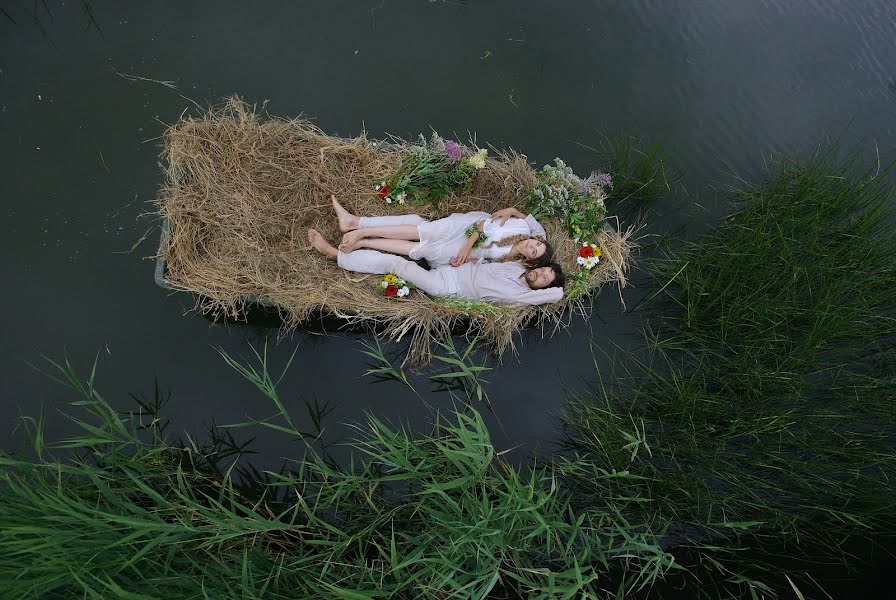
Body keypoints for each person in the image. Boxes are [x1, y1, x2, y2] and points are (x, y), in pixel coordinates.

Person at [308, 229, 565, 306]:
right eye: (543, 269)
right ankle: (363, 231)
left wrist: (555, 283)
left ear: (542, 289)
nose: (540, 274)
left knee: (397, 264)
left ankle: (335, 255)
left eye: (544, 278)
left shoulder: (522, 298)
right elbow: (536, 232)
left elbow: (558, 293)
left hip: (447, 286)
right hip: (454, 266)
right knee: (427, 237)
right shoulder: (516, 267)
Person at [330, 195, 552, 268]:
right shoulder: (526, 229)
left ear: (528, 258)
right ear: (537, 238)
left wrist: (469, 260)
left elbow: (484, 264)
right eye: (536, 243)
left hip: (469, 252)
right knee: (423, 230)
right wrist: (511, 210)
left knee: (423, 248)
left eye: (533, 251)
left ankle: (365, 241)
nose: (532, 246)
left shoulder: (510, 262)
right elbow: (482, 226)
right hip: (469, 228)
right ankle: (356, 225)